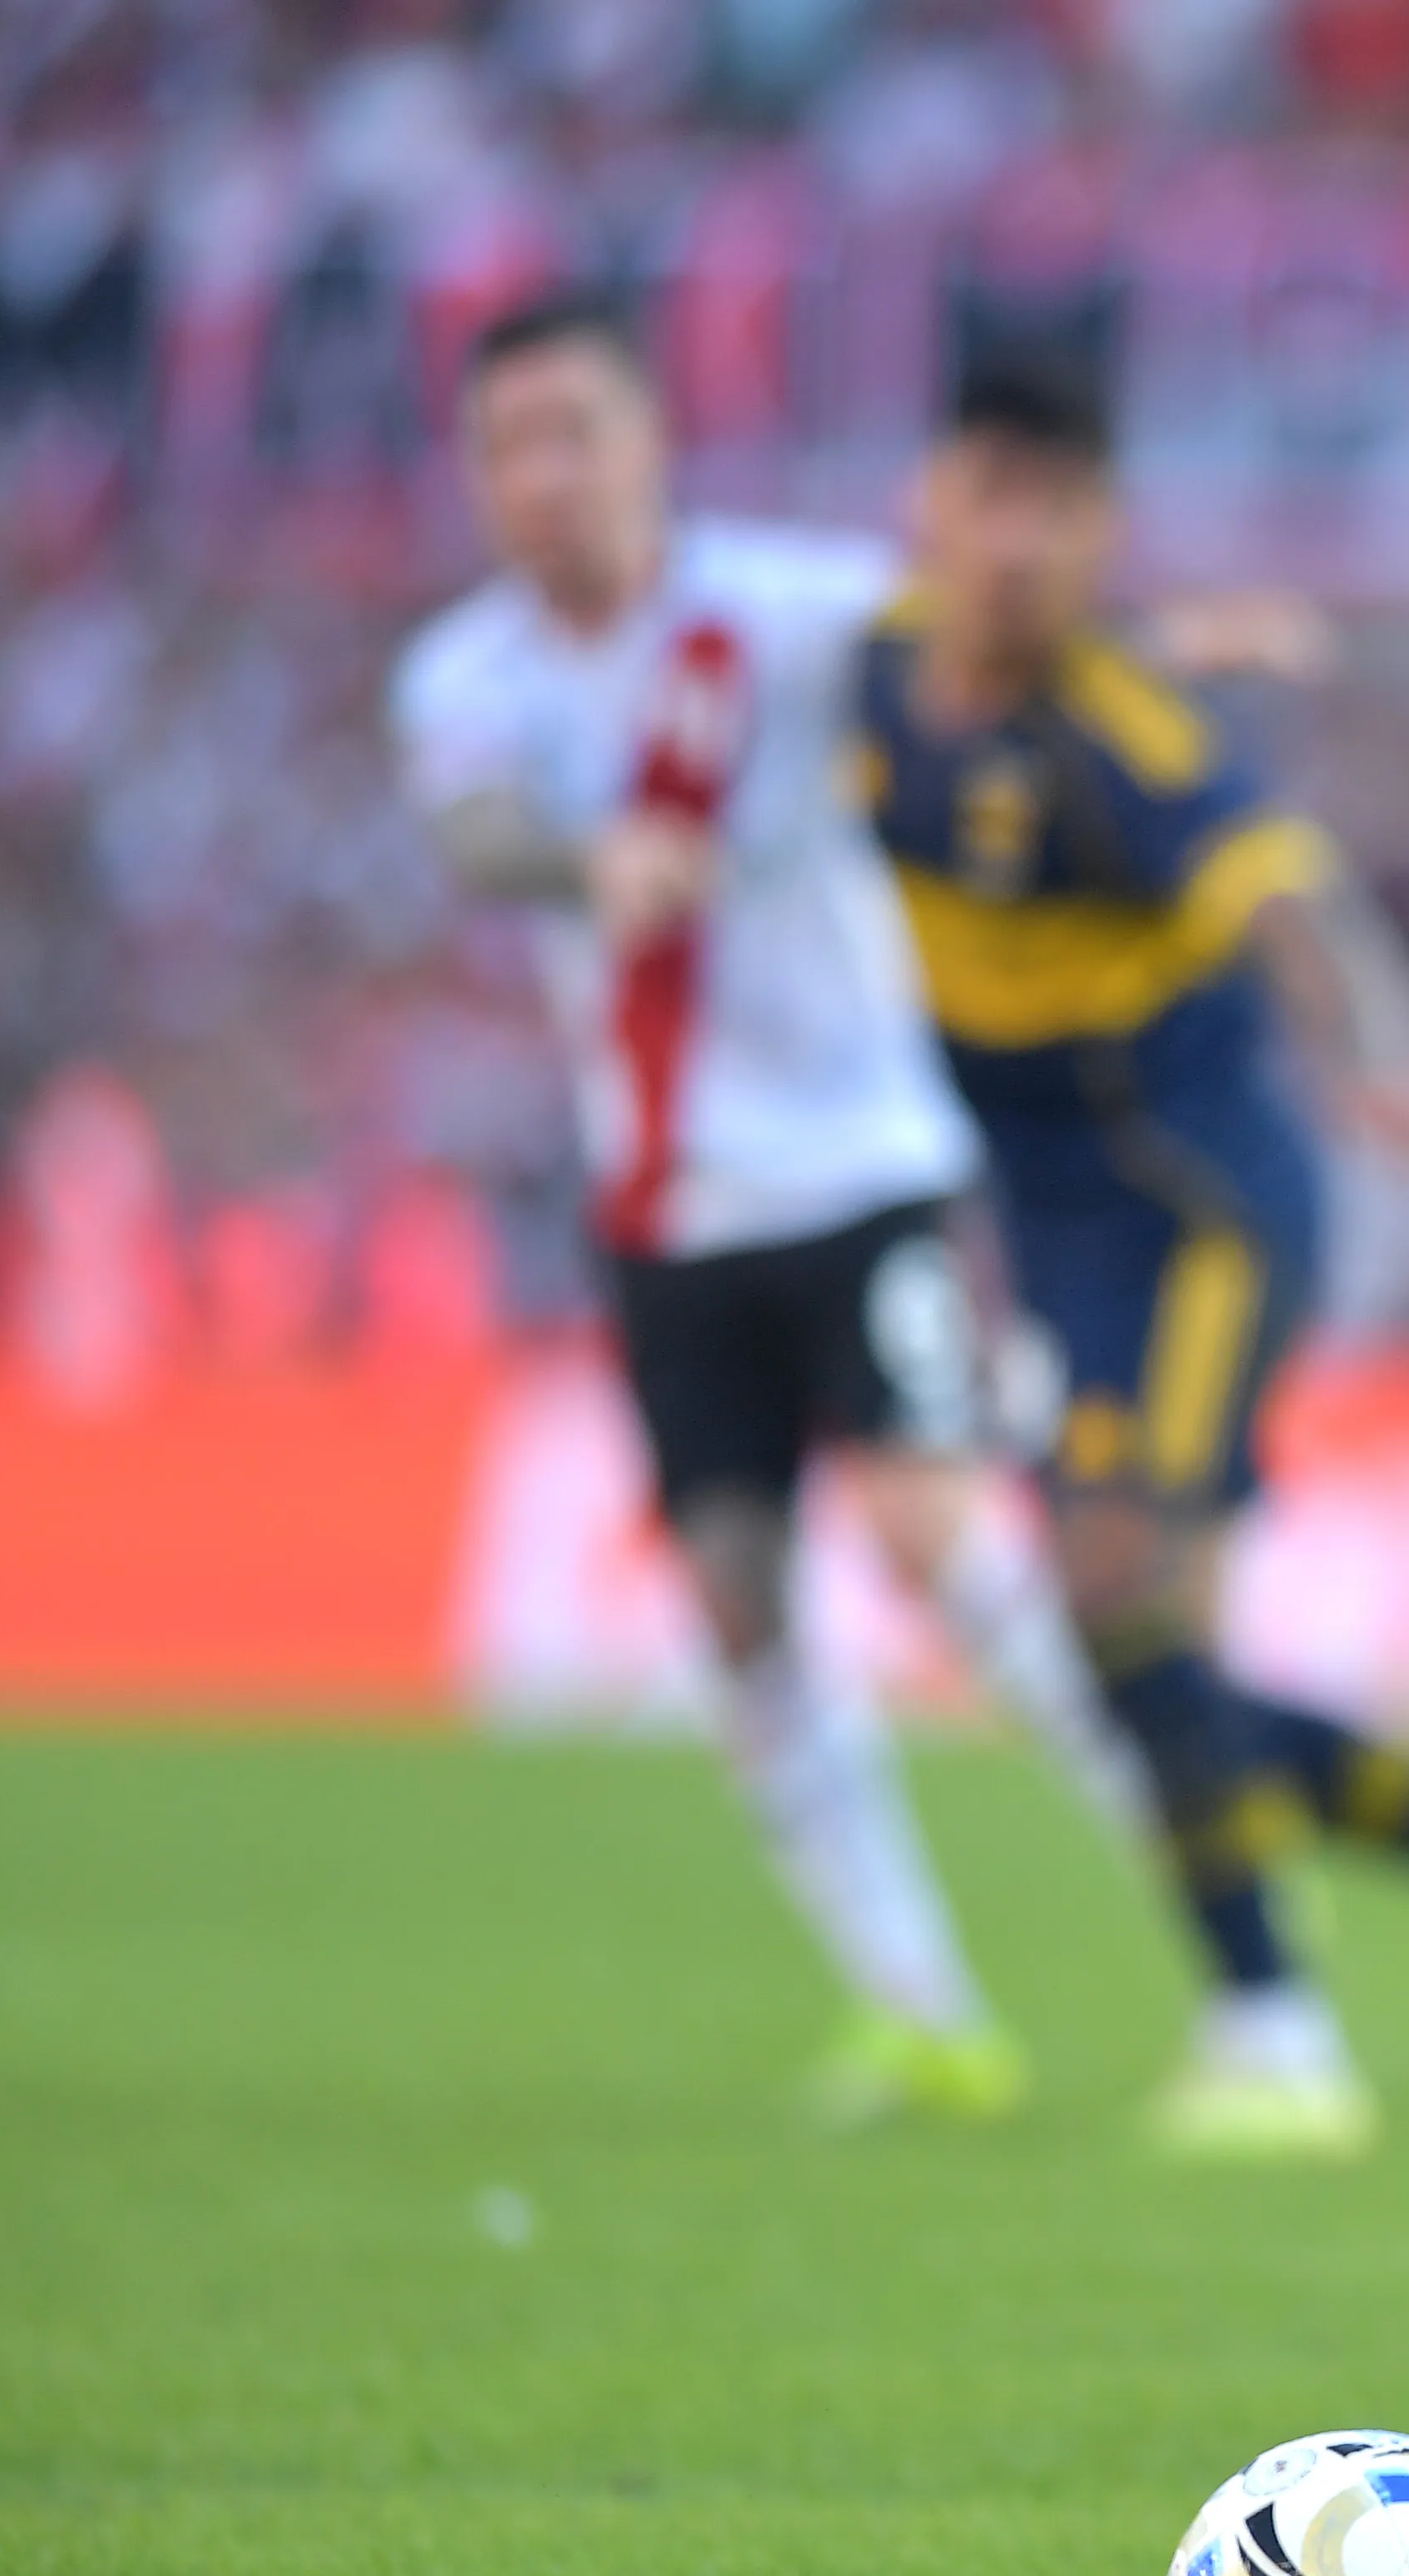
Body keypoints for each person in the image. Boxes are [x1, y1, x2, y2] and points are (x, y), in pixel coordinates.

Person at [856, 352, 1409, 2163]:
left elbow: (1292, 901)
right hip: (1064, 1229)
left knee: (1120, 1598)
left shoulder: (1127, 740)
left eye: (1057, 511)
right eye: (988, 497)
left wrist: (1381, 1056)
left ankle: (1280, 2032)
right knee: (1130, 1645)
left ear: (1096, 534)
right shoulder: (869, 673)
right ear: (933, 512)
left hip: (1207, 1212)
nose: (1016, 543)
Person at [393, 290, 1155, 2128]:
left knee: (927, 1537)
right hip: (662, 1209)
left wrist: (1142, 643)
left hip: (864, 1171)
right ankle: (922, 2009)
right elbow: (481, 835)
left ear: (652, 443)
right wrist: (595, 860)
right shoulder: (465, 676)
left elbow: (984, 643)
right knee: (737, 1597)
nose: (544, 479)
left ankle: (1199, 1855)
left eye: (574, 432)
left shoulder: (793, 615)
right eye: (508, 447)